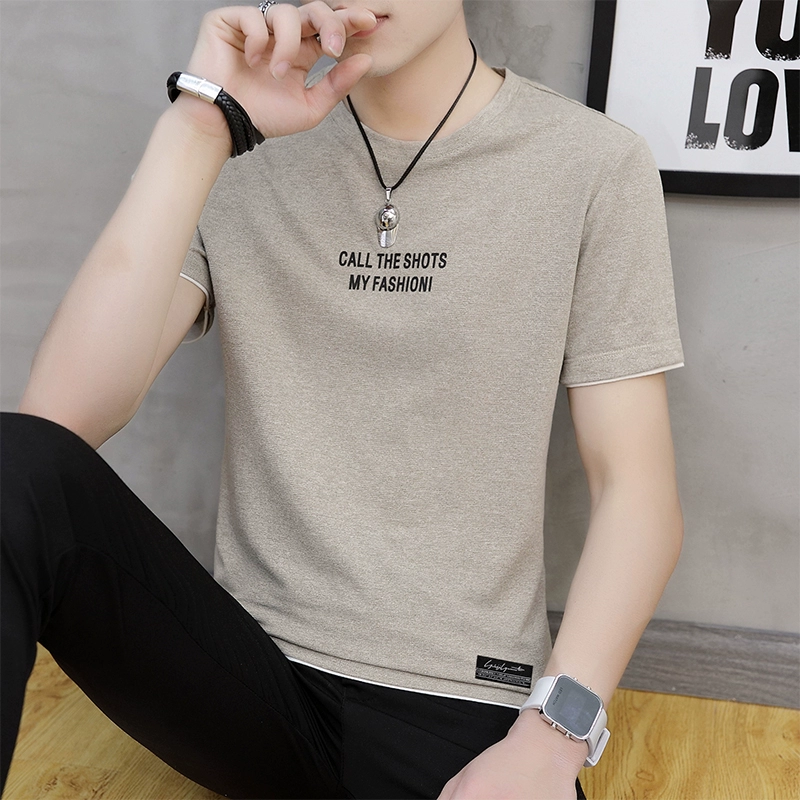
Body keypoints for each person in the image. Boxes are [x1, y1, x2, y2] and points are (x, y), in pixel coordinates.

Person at [0, 2, 685, 798]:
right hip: (249, 680)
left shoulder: (591, 163)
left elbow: (638, 492)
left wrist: (551, 741)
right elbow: (54, 429)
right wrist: (200, 126)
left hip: (462, 703)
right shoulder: (237, 148)